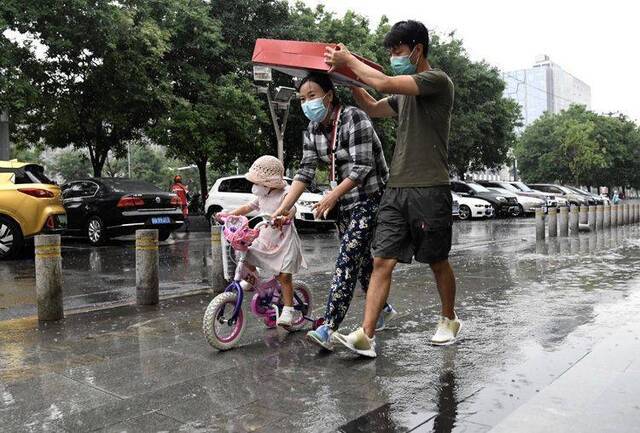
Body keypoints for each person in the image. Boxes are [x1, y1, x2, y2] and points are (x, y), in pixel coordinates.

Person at [324, 20, 461, 357]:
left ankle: (449, 318)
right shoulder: (403, 98)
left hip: (430, 187)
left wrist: (349, 61)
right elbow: (373, 106)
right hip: (396, 189)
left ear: (418, 49)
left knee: (437, 260)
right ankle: (366, 335)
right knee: (382, 259)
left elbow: (384, 80)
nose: (395, 57)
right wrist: (349, 79)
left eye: (398, 51)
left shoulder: (437, 82)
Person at [273, 72, 397, 351]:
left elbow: (362, 168)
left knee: (346, 259)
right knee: (363, 262)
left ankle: (328, 327)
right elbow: (304, 172)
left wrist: (331, 195)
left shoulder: (355, 118)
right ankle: (384, 310)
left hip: (371, 198)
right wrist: (283, 208)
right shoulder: (312, 131)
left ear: (329, 96)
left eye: (312, 97)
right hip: (344, 205)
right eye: (303, 99)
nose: (307, 104)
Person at [218, 155, 306, 328]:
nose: (255, 186)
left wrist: (284, 216)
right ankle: (254, 278)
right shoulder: (262, 195)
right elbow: (248, 207)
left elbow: (292, 208)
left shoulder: (285, 193)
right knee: (244, 253)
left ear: (270, 183)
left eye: (259, 183)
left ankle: (288, 309)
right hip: (265, 238)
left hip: (283, 242)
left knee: (284, 276)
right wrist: (229, 214)